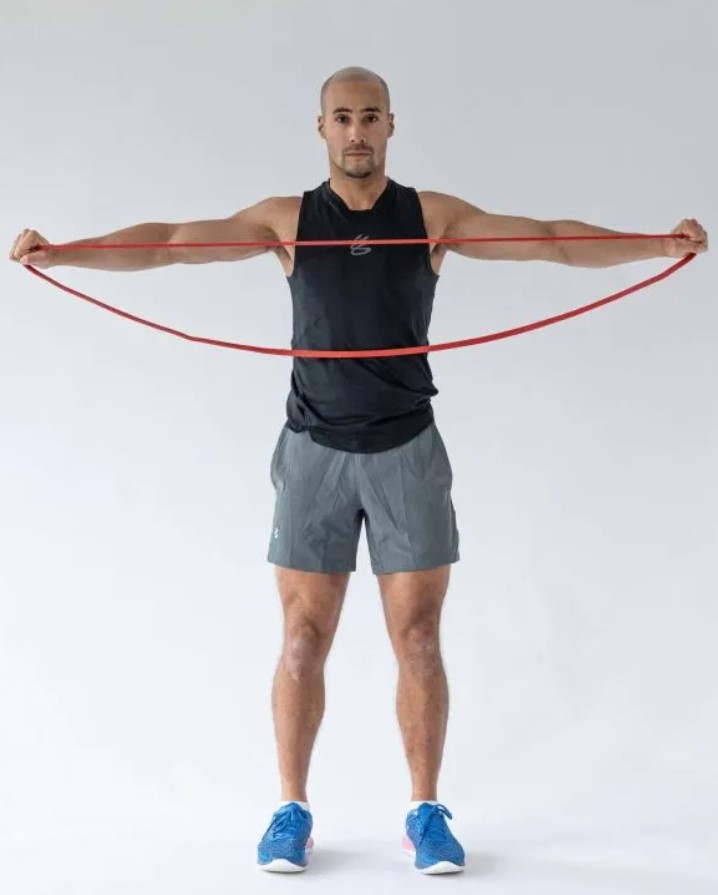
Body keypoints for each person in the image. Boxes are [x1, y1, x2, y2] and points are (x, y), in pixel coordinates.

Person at [10, 66, 708, 876]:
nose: (356, 132)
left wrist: (655, 245)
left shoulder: (430, 218)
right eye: (341, 117)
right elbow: (171, 243)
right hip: (313, 450)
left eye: (369, 117)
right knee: (303, 638)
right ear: (321, 129)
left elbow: (546, 237)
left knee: (417, 637)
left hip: (407, 449)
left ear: (390, 125)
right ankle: (290, 811)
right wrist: (66, 254)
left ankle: (425, 811)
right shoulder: (288, 221)